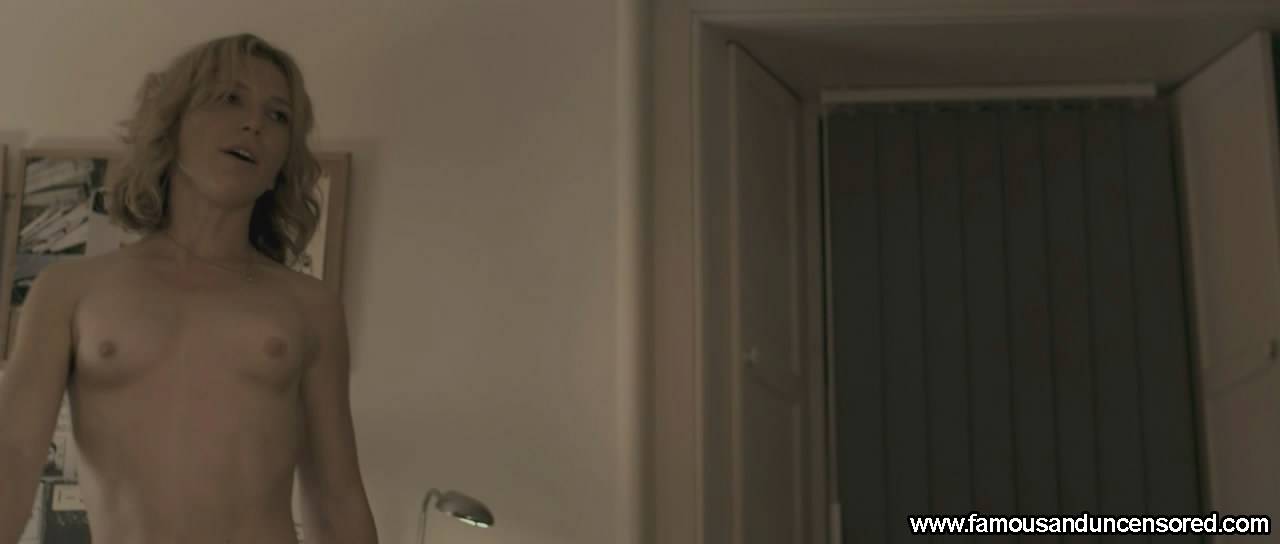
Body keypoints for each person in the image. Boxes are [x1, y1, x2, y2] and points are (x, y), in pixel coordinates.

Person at [0, 33, 378, 543]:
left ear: (281, 164)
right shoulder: (70, 289)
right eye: (230, 98)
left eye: (278, 115)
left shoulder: (309, 306)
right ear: (172, 125)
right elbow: (14, 457)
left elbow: (336, 497)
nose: (254, 123)